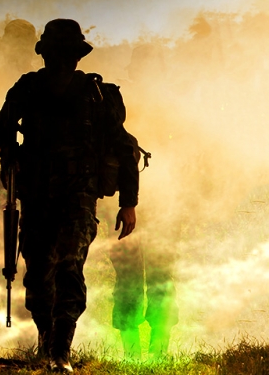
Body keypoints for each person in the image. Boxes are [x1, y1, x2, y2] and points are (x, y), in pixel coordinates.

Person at [0, 19, 140, 372]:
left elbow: (124, 146)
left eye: (66, 53)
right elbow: (1, 130)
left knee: (70, 266)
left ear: (76, 56)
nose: (60, 59)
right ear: (45, 54)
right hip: (37, 195)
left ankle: (61, 350)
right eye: (54, 52)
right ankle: (46, 339)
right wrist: (9, 159)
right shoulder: (28, 88)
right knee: (38, 271)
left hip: (79, 195)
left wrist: (128, 202)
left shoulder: (97, 94)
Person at [104, 44, 177, 359]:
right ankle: (134, 352)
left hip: (163, 200)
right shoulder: (117, 104)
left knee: (159, 276)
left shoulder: (174, 105)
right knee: (131, 277)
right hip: (126, 198)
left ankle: (156, 349)